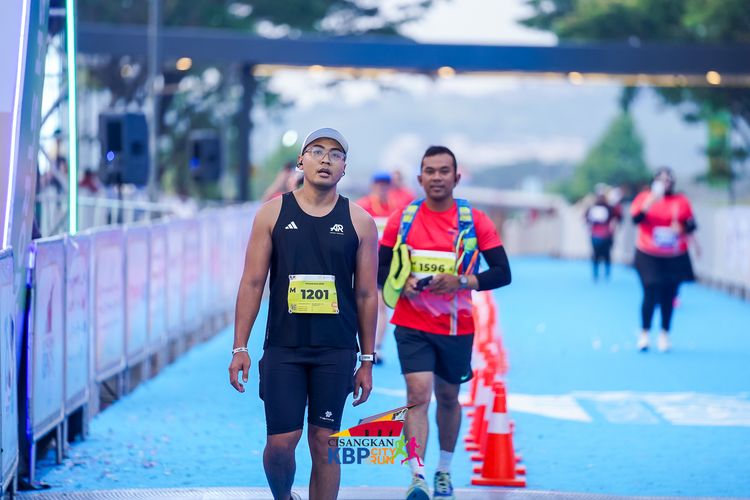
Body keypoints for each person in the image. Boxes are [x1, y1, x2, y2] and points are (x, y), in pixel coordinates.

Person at [229, 128, 379, 500]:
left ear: (344, 168)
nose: (326, 159)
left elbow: (366, 294)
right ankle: (283, 496)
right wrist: (239, 347)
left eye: (335, 154)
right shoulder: (272, 213)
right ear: (301, 161)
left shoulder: (361, 221)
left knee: (326, 442)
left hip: (335, 349)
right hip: (284, 347)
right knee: (281, 444)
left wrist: (367, 360)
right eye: (317, 151)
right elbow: (252, 283)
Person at [377, 146, 512, 500]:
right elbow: (380, 268)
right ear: (419, 178)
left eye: (443, 171)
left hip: (456, 327)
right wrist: (401, 281)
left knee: (448, 397)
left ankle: (444, 470)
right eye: (430, 171)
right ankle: (417, 476)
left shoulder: (475, 221)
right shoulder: (402, 219)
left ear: (456, 177)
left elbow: (503, 272)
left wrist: (462, 281)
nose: (436, 177)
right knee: (417, 395)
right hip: (411, 324)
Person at [630, 167, 696, 353]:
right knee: (651, 289)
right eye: (660, 180)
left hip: (673, 255)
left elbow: (691, 225)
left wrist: (681, 229)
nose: (664, 183)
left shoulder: (681, 201)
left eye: (667, 180)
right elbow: (636, 219)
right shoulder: (644, 198)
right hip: (648, 253)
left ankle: (664, 333)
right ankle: (644, 332)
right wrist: (650, 202)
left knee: (669, 294)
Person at [356, 172, 399, 363]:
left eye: (385, 185)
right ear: (372, 186)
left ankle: (377, 348)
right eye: (379, 184)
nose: (382, 188)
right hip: (361, 262)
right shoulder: (362, 206)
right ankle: (356, 344)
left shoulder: (395, 209)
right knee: (358, 304)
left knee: (380, 305)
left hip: (383, 265)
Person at [585, 184, 620, 281]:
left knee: (606, 254)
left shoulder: (610, 207)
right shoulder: (592, 207)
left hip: (606, 235)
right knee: (596, 254)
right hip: (596, 235)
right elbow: (586, 218)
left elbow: (618, 216)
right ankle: (595, 273)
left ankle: (606, 273)